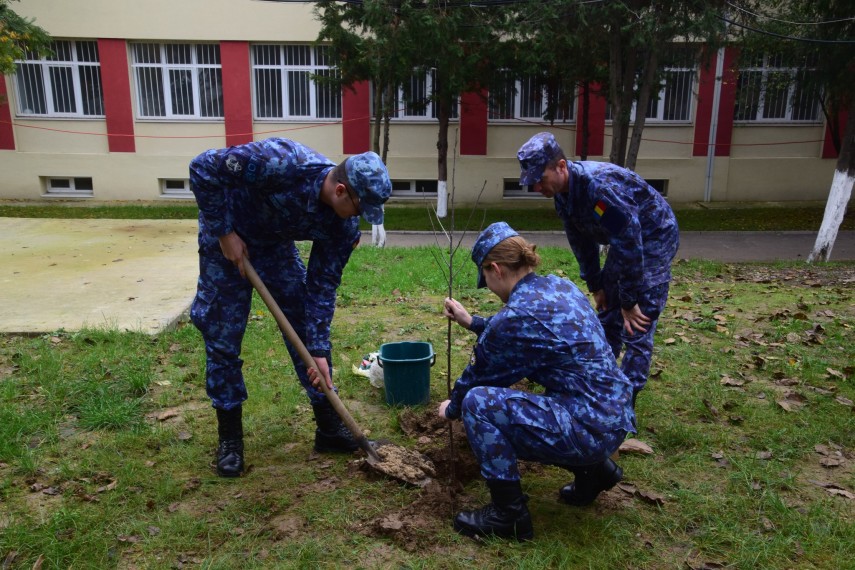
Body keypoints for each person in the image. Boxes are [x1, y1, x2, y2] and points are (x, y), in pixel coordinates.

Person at [188, 137, 391, 478]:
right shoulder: (281, 162)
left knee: (300, 324)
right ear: (341, 190)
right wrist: (224, 232)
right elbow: (203, 166)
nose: (359, 218)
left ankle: (328, 428)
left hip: (273, 248)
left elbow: (323, 286)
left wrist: (319, 349)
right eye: (360, 208)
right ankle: (230, 439)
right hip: (226, 237)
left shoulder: (342, 225)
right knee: (223, 335)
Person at [439, 222, 636, 541]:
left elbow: (479, 372)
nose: (488, 286)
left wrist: (452, 408)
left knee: (479, 403)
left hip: (590, 429)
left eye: (485, 279)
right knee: (559, 392)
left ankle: (509, 515)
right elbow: (527, 331)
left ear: (496, 269)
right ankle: (595, 472)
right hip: (613, 415)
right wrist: (472, 321)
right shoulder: (560, 286)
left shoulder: (516, 318)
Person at [517, 132, 679, 409]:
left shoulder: (600, 191)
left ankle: (623, 408)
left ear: (561, 167)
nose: (536, 187)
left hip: (653, 238)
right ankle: (598, 385)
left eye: (540, 179)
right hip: (626, 241)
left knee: (637, 320)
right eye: (531, 182)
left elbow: (630, 241)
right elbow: (580, 240)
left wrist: (628, 301)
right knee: (608, 314)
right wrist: (597, 285)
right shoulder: (562, 195)